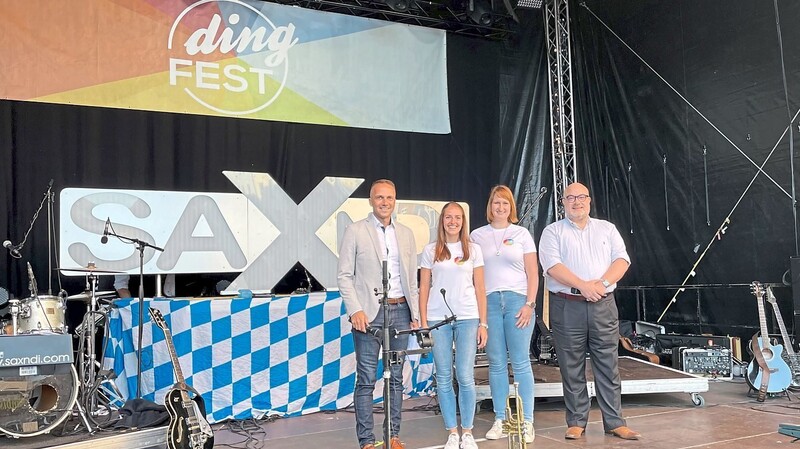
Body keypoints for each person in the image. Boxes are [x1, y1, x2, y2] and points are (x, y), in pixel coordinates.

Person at [537, 182, 641, 440]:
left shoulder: (608, 229)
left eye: (581, 197)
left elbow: (622, 260)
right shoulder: (552, 232)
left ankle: (615, 422)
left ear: (589, 201)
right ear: (563, 202)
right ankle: (576, 422)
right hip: (566, 305)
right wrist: (583, 286)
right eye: (570, 198)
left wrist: (601, 284)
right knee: (570, 365)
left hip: (603, 304)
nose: (576, 202)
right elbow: (552, 266)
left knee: (608, 363)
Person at [337, 179, 420, 449]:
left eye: (390, 198)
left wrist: (416, 313)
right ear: (371, 200)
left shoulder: (406, 233)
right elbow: (344, 276)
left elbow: (411, 279)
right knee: (366, 379)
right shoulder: (355, 230)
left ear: (396, 201)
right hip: (368, 315)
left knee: (395, 378)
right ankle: (367, 442)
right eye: (380, 197)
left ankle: (393, 436)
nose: (385, 202)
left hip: (400, 309)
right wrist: (355, 310)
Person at [470, 185, 538, 443]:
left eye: (505, 204)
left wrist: (529, 304)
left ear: (512, 208)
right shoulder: (477, 235)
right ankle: (501, 419)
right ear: (490, 206)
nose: (500, 208)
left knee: (520, 362)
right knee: (496, 362)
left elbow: (533, 273)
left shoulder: (521, 234)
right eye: (496, 203)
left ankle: (526, 421)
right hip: (488, 302)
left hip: (517, 301)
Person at [419, 202, 487, 449]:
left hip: (468, 317)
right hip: (438, 320)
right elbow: (424, 287)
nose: (453, 221)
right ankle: (452, 432)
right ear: (442, 221)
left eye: (457, 217)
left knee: (465, 376)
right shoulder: (430, 250)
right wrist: (424, 322)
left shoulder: (474, 250)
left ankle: (467, 431)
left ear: (463, 221)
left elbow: (480, 287)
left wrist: (484, 323)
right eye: (448, 217)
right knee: (444, 376)